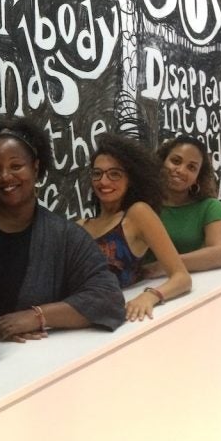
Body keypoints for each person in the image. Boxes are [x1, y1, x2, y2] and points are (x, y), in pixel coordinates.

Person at [0, 118, 125, 342]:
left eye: (16, 166)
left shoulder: (65, 235)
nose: (5, 176)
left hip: (35, 358)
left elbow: (108, 298)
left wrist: (37, 316)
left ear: (35, 167)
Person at [79, 134, 191, 321]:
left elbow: (182, 278)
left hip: (126, 322)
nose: (104, 181)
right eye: (97, 173)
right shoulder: (80, 226)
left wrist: (150, 296)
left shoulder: (138, 214)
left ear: (130, 178)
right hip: (81, 322)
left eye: (114, 174)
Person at [142, 135, 221, 277]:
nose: (181, 170)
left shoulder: (210, 207)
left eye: (191, 167)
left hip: (196, 286)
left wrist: (161, 266)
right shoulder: (141, 206)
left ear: (197, 178)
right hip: (138, 287)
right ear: (161, 162)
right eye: (176, 161)